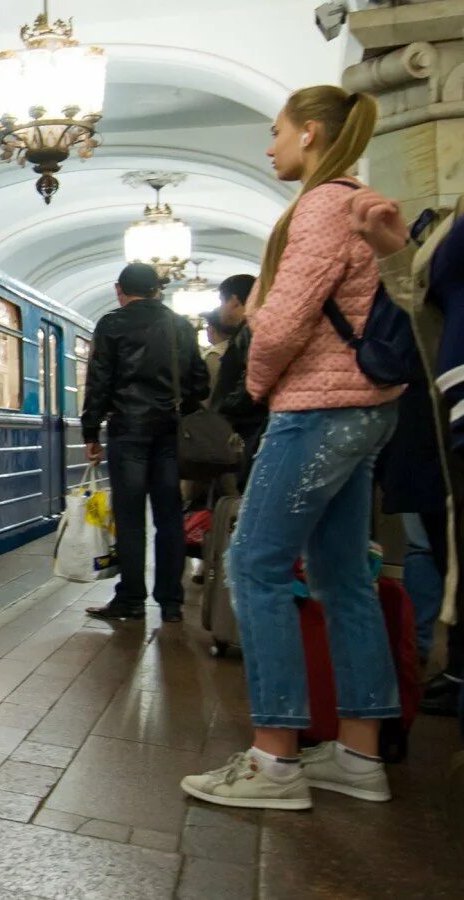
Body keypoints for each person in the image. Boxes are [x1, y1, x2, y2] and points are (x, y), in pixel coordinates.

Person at [181, 86, 404, 811]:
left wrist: (253, 377)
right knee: (343, 579)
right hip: (361, 410)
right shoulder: (354, 202)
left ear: (309, 134)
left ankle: (274, 761)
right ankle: (357, 755)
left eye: (275, 132)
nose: (268, 145)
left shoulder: (318, 205)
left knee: (254, 564)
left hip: (317, 410)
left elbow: (278, 324)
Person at [350, 184, 464, 721]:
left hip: (430, 422)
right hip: (437, 423)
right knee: (432, 547)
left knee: (426, 548)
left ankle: (428, 663)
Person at [80, 263, 209, 623]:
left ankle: (131, 600)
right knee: (169, 518)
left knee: (130, 518)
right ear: (157, 290)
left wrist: (91, 431)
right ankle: (171, 603)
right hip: (169, 432)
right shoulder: (181, 326)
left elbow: (99, 381)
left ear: (119, 289)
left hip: (128, 431)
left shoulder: (112, 324)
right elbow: (200, 384)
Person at [211, 274, 267, 489]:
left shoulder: (249, 331)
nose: (221, 309)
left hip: (251, 424)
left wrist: (226, 407)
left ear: (234, 300)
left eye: (222, 302)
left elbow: (249, 380)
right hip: (251, 422)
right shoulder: (249, 330)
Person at [202, 310, 230, 398]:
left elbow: (209, 393)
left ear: (212, 329)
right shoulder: (235, 349)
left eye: (208, 325)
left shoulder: (213, 355)